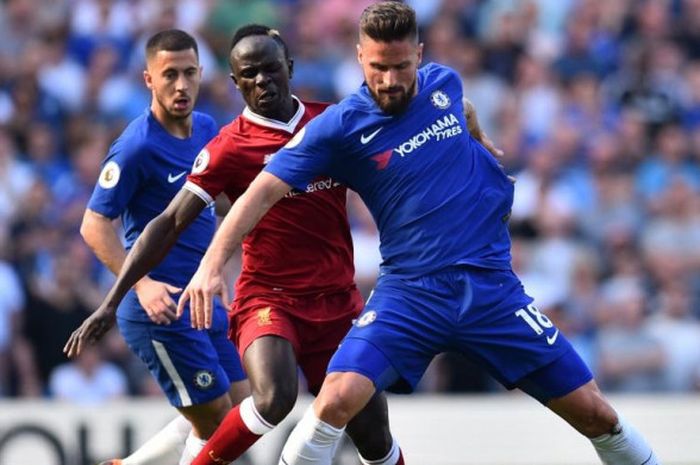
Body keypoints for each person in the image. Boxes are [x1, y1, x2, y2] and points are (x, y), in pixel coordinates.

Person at [180, 3, 662, 465]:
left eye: (400, 67)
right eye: (377, 68)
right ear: (359, 58)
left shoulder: (443, 85)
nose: (389, 81)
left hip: (491, 290)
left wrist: (477, 135)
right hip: (409, 294)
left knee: (597, 414)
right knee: (335, 400)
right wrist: (209, 266)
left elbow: (459, 107)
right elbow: (258, 194)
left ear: (420, 56)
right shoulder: (337, 128)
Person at [64, 29, 248, 465]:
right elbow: (93, 226)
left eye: (188, 73)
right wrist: (142, 285)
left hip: (199, 297)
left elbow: (212, 201)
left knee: (244, 410)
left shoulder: (204, 127)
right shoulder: (137, 146)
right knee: (220, 424)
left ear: (202, 74)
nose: (180, 85)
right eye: (169, 75)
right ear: (149, 79)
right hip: (158, 307)